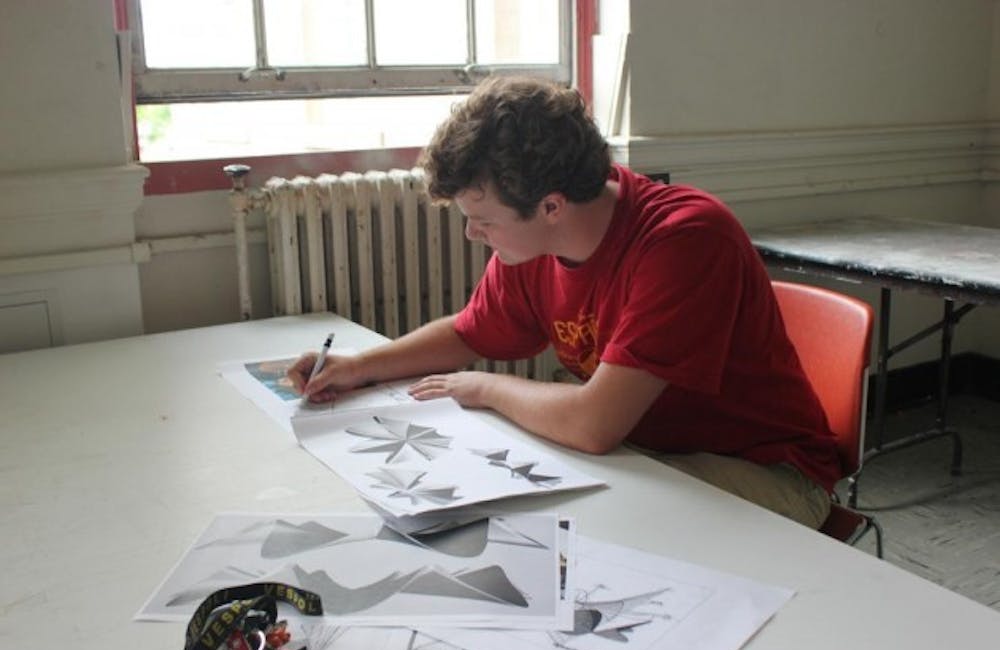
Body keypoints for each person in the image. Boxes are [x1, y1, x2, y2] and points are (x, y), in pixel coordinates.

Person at [288, 76, 839, 529]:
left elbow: (593, 424)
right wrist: (358, 367)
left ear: (551, 206)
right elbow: (468, 333)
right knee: (523, 510)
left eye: (483, 221)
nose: (472, 235)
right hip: (646, 449)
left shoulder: (685, 240)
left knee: (574, 528)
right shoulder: (535, 246)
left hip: (768, 471)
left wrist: (482, 387)